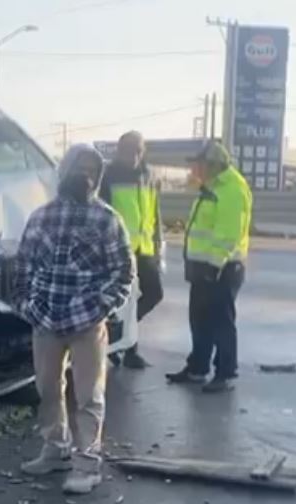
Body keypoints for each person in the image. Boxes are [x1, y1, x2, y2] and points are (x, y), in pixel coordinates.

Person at [15, 144, 135, 495]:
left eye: (92, 170)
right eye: (79, 168)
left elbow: (123, 272)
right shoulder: (41, 217)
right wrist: (28, 306)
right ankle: (55, 449)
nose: (86, 175)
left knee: (89, 396)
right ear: (64, 171)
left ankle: (87, 465)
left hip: (86, 323)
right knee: (47, 390)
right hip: (45, 320)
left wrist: (102, 307)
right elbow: (23, 266)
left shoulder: (107, 219)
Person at [166, 141, 252, 394]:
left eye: (199, 165)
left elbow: (228, 233)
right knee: (200, 320)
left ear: (213, 165)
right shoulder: (212, 187)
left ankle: (225, 373)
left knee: (220, 323)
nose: (194, 169)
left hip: (222, 268)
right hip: (203, 267)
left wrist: (214, 265)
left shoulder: (232, 189)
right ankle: (197, 368)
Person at [100, 131, 163, 369]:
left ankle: (120, 337)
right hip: (119, 250)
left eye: (138, 150)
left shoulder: (150, 175)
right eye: (128, 150)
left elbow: (155, 213)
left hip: (144, 250)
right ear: (119, 150)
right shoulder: (108, 176)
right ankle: (128, 349)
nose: (134, 155)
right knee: (124, 301)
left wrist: (158, 245)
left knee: (154, 293)